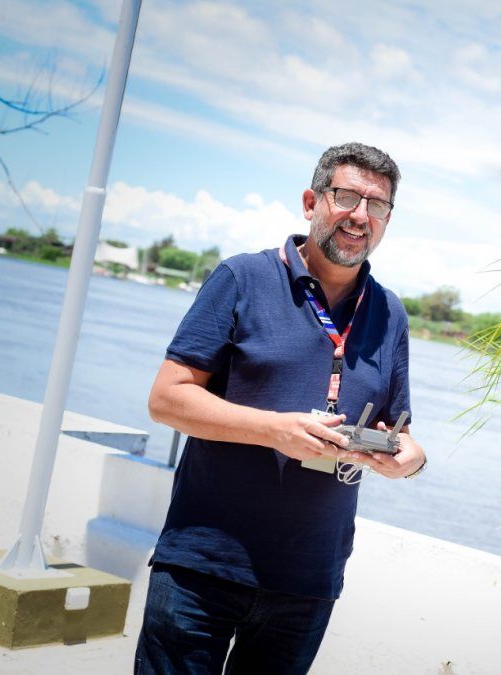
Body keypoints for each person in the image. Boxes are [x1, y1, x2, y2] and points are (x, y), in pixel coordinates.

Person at [135, 142, 426, 674]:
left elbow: (399, 430)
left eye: (377, 206)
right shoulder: (241, 278)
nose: (360, 216)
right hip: (203, 567)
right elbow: (167, 399)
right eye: (346, 197)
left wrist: (411, 459)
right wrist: (275, 430)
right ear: (312, 201)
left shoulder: (390, 314)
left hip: (308, 580)